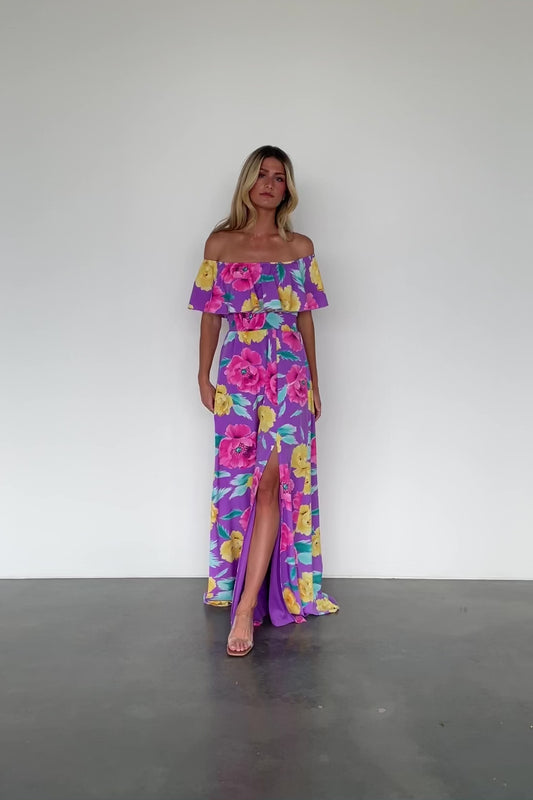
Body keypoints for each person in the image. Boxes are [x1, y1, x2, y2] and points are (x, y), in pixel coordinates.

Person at [188, 145, 338, 657]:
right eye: (263, 175)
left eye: (280, 177)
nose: (271, 184)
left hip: (290, 375)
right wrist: (203, 376)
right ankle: (243, 583)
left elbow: (305, 319)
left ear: (287, 188)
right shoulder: (220, 244)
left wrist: (315, 383)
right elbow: (210, 316)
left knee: (273, 481)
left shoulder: (300, 247)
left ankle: (246, 608)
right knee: (241, 485)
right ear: (248, 182)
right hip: (239, 372)